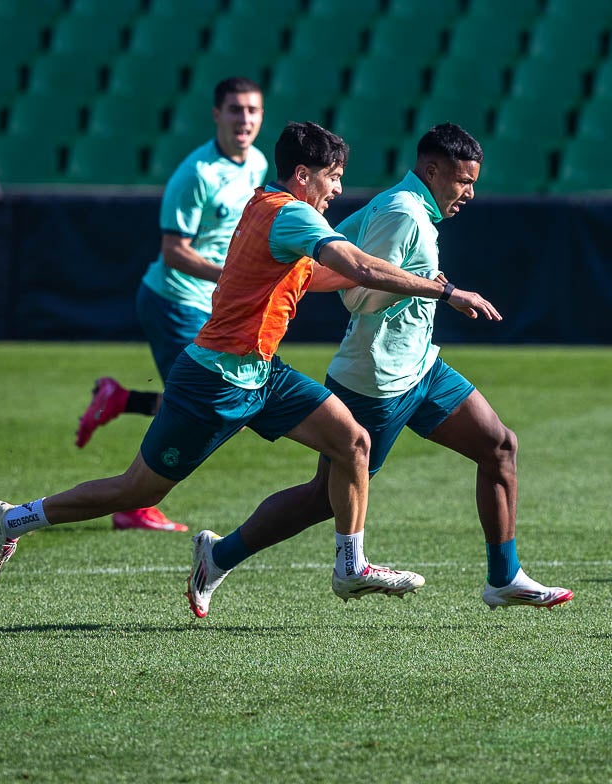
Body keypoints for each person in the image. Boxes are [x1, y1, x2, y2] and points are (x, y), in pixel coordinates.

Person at [0, 122, 502, 610]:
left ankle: (350, 564)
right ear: (303, 176)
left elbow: (329, 277)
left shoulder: (269, 207)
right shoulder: (293, 213)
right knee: (136, 490)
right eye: (333, 178)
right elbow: (356, 265)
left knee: (354, 443)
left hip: (262, 373)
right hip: (214, 378)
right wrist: (443, 289)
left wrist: (391, 268)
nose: (337, 189)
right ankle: (12, 519)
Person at [183, 124, 573, 614]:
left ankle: (504, 576)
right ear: (432, 170)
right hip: (375, 381)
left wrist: (422, 282)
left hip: (421, 368)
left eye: (473, 182)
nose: (469, 193)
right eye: (462, 181)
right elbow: (358, 295)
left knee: (499, 446)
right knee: (322, 499)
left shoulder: (415, 206)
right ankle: (218, 555)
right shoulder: (403, 212)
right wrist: (431, 286)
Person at [72, 76, 268, 534]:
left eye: (253, 111)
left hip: (215, 307)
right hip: (175, 301)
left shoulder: (257, 163)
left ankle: (120, 401)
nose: (244, 119)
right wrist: (233, 277)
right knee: (209, 408)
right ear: (216, 115)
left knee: (221, 409)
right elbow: (174, 251)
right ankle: (134, 503)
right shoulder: (196, 173)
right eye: (235, 110)